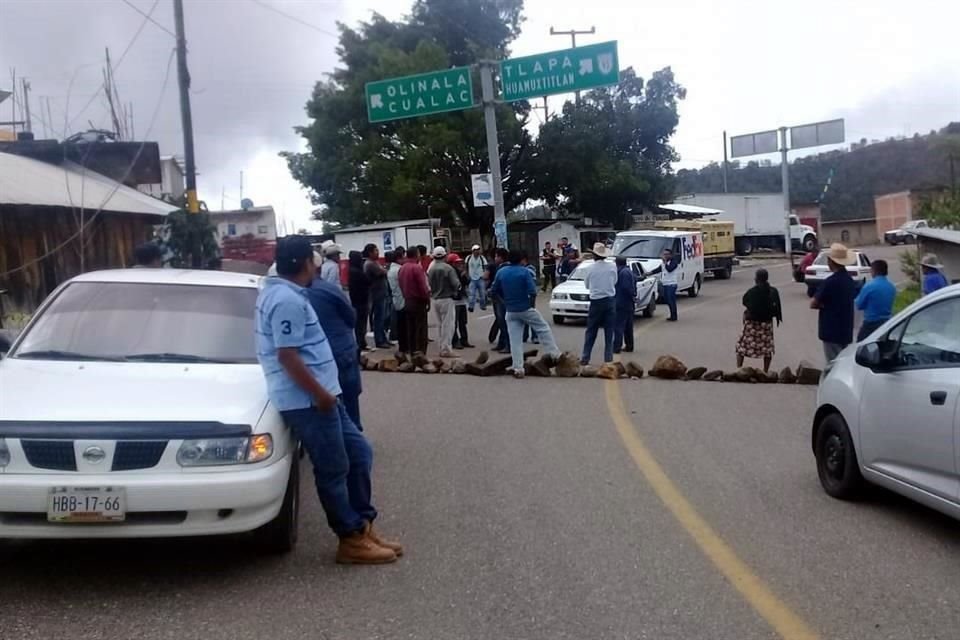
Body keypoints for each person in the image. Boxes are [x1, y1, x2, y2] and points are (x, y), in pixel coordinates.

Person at [255, 236, 401, 565]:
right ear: (307, 262)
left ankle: (363, 526)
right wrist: (319, 395)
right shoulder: (286, 300)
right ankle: (350, 539)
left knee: (359, 453)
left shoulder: (288, 293)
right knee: (333, 468)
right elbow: (288, 356)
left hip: (324, 395)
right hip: (309, 400)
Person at [304, 253, 365, 432]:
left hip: (313, 356)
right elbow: (351, 317)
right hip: (340, 350)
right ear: (316, 267)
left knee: (324, 398)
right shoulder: (327, 289)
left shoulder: (292, 292)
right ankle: (353, 437)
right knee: (349, 396)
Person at [491, 249, 562, 379]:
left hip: (510, 310)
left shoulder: (501, 272)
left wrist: (504, 302)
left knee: (515, 340)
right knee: (543, 328)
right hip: (524, 307)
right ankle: (555, 354)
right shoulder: (524, 272)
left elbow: (493, 291)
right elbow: (532, 292)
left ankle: (518, 368)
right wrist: (530, 305)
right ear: (520, 260)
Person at [810, 243, 857, 363]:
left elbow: (813, 303)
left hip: (831, 330)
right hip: (846, 329)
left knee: (832, 364)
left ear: (831, 261)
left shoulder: (829, 282)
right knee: (844, 363)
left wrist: (824, 305)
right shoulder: (850, 281)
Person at [735, 268, 783, 373]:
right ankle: (765, 371)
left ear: (756, 279)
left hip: (752, 324)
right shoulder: (773, 291)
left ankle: (738, 368)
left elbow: (745, 301)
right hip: (766, 325)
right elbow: (777, 307)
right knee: (766, 349)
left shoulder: (752, 291)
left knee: (742, 346)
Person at [581, 243, 618, 365]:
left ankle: (585, 357)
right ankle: (608, 358)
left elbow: (586, 285)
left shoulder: (589, 268)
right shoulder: (612, 266)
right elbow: (615, 281)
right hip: (609, 299)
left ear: (594, 255)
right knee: (609, 330)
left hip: (596, 301)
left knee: (591, 330)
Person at [427, 246, 460, 357]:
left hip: (435, 299)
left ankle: (442, 346)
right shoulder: (448, 268)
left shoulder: (431, 269)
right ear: (445, 256)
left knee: (440, 325)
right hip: (446, 298)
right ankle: (446, 349)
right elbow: (456, 284)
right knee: (448, 325)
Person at [399, 246, 430, 355]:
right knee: (421, 329)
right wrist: (427, 299)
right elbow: (422, 287)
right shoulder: (416, 268)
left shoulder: (402, 268)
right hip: (418, 301)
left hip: (407, 300)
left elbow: (401, 285)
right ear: (416, 254)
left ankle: (412, 351)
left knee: (411, 329)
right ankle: (420, 353)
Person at [855, 259, 896, 341]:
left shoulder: (869, 286)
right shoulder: (891, 286)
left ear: (874, 271)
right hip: (886, 322)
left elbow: (859, 305)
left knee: (860, 346)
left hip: (871, 323)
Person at [362, 244, 391, 349]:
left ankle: (383, 339)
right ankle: (379, 340)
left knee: (382, 318)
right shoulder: (370, 264)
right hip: (376, 295)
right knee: (379, 318)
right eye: (375, 250)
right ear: (370, 252)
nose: (378, 252)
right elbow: (383, 272)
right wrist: (384, 269)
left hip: (381, 293)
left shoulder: (375, 262)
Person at [487, 248, 510, 353]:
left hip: (501, 298)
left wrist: (490, 291)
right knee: (501, 322)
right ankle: (501, 343)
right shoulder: (501, 267)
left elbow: (496, 284)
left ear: (501, 257)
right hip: (501, 298)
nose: (495, 258)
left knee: (503, 322)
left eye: (496, 256)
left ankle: (507, 345)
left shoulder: (502, 269)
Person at [613, 256, 637, 354]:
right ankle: (629, 345)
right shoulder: (627, 271)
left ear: (617, 263)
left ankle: (616, 347)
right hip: (626, 302)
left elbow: (626, 288)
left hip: (622, 302)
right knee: (627, 326)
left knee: (619, 326)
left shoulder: (623, 273)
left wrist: (632, 295)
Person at [347, 251, 370, 351]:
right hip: (361, 300)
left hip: (356, 299)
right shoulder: (357, 272)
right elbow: (368, 281)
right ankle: (361, 343)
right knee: (361, 323)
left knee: (360, 323)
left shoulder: (351, 270)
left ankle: (361, 342)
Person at [450, 254, 474, 349]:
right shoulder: (451, 272)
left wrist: (464, 275)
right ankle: (455, 341)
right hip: (454, 300)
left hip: (462, 299)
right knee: (454, 322)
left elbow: (467, 282)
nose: (459, 264)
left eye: (460, 262)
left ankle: (464, 340)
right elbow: (455, 284)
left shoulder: (461, 272)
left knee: (463, 321)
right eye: (457, 262)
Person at [386, 249, 407, 352]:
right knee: (404, 325)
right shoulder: (399, 269)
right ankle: (405, 347)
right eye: (403, 257)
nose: (405, 259)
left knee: (400, 324)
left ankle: (402, 346)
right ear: (399, 258)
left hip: (396, 298)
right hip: (402, 298)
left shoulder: (391, 270)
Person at [465, 244, 488, 312]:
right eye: (475, 250)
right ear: (473, 251)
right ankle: (471, 307)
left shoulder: (482, 258)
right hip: (472, 278)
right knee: (472, 294)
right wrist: (467, 275)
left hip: (480, 278)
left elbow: (486, 266)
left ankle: (483, 305)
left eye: (478, 250)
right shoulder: (468, 258)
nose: (477, 251)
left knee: (482, 293)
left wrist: (485, 275)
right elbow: (466, 267)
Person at [660, 247, 680, 322]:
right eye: (664, 254)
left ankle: (674, 316)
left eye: (666, 254)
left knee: (671, 300)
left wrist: (665, 262)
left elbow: (669, 269)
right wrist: (649, 273)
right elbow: (659, 269)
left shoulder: (674, 262)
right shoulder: (663, 263)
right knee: (666, 299)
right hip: (665, 283)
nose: (665, 256)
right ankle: (672, 314)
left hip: (671, 284)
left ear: (670, 255)